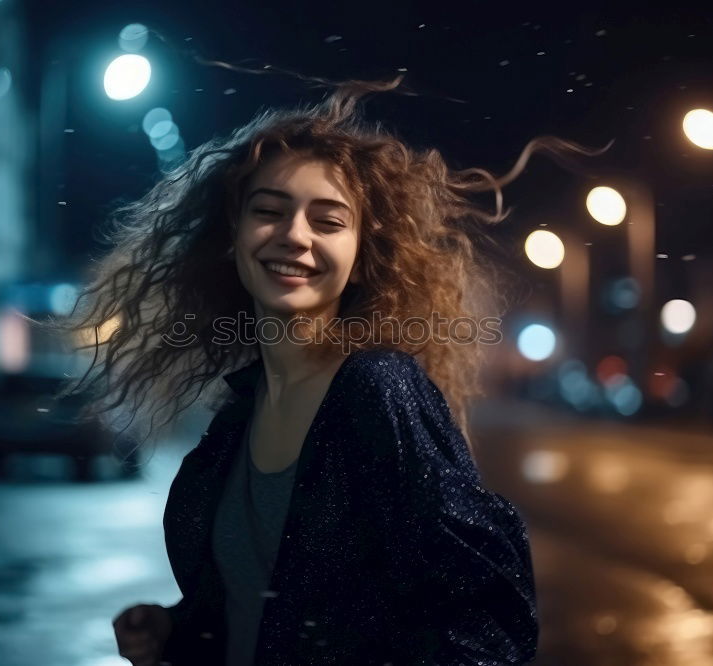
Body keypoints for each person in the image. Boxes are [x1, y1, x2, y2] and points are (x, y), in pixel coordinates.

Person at [55, 75, 597, 665]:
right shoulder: (237, 416)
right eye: (269, 211)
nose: (294, 236)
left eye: (329, 221)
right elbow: (275, 606)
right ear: (230, 239)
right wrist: (176, 634)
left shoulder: (377, 390)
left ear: (361, 258)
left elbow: (490, 622)